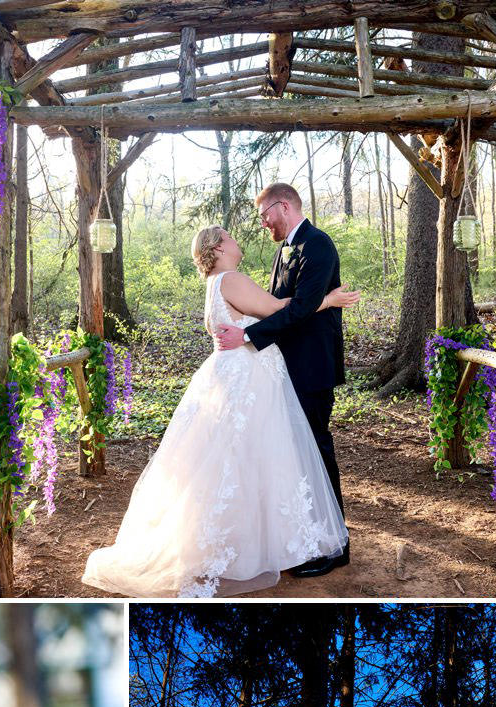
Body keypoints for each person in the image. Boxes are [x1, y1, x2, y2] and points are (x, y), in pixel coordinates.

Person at [82, 219, 355, 597]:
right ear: (219, 248)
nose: (236, 237)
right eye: (229, 236)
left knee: (232, 458)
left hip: (232, 374)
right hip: (248, 377)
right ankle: (254, 542)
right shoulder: (232, 279)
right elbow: (279, 308)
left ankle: (236, 538)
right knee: (250, 456)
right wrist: (329, 299)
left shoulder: (215, 284)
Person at [214, 181, 352, 576]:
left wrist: (249, 336)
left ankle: (337, 544)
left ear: (283, 207)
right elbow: (276, 305)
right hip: (285, 366)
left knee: (317, 448)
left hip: (312, 366)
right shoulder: (285, 248)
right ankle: (310, 537)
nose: (262, 223)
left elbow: (302, 309)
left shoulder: (318, 245)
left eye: (264, 214)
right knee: (296, 454)